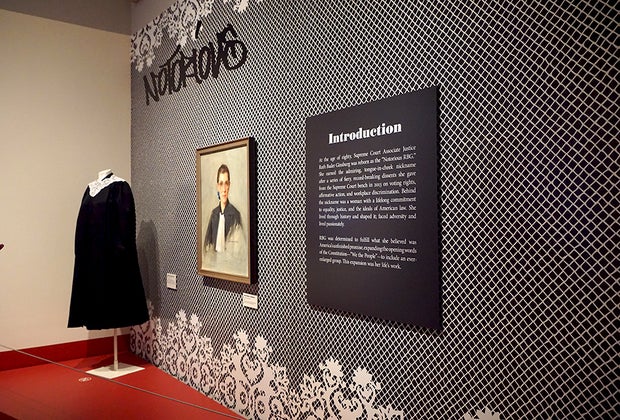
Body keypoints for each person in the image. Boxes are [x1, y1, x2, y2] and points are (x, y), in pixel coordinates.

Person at [205, 164, 242, 252]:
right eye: (221, 184)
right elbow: (206, 247)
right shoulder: (214, 215)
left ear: (229, 185)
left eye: (226, 183)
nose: (224, 189)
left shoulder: (236, 215)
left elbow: (239, 250)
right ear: (218, 186)